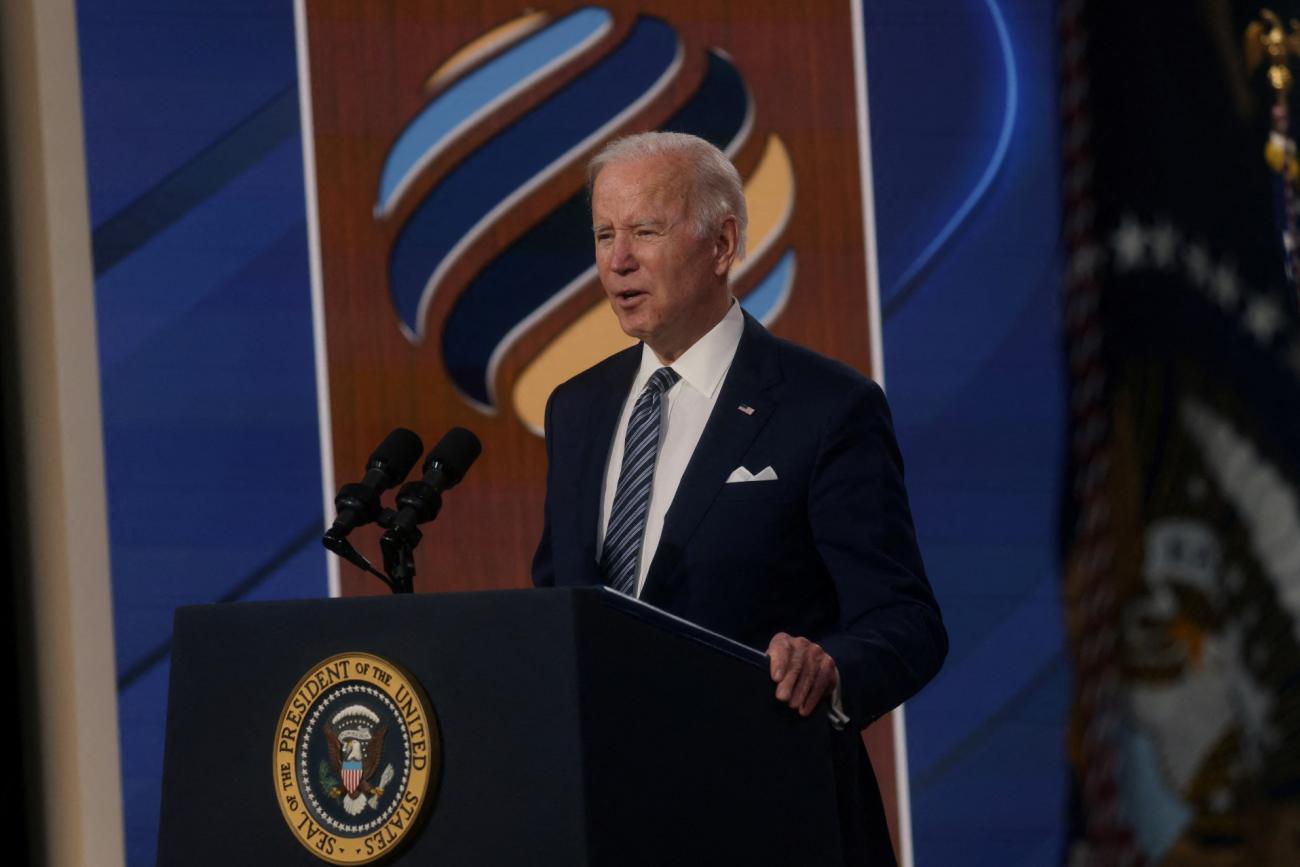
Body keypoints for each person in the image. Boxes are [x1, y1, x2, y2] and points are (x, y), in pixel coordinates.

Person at [531, 131, 946, 865]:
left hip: (771, 812)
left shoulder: (826, 406)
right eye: (604, 234)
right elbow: (556, 598)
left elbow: (906, 621)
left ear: (721, 244)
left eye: (645, 231)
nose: (616, 260)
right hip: (607, 818)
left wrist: (831, 666)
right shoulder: (576, 408)